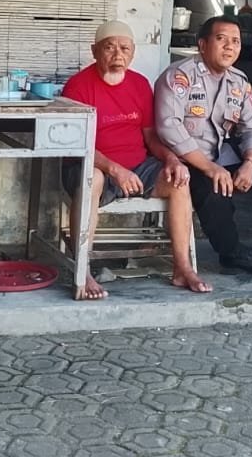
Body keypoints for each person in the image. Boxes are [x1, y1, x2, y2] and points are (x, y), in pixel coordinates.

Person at [153, 15, 252, 274]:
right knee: (209, 182)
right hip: (184, 160)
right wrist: (210, 168)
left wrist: (250, 163)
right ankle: (231, 251)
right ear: (202, 44)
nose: (230, 46)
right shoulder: (180, 76)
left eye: (236, 41)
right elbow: (168, 127)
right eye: (221, 39)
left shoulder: (239, 81)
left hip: (219, 154)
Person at [62, 21, 211, 299]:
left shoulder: (140, 85)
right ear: (94, 51)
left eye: (124, 48)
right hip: (92, 165)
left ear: (133, 53)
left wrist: (172, 159)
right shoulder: (78, 86)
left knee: (178, 180)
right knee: (93, 178)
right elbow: (76, 144)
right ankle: (83, 270)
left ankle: (182, 268)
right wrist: (115, 170)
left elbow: (151, 136)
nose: (118, 55)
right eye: (109, 48)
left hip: (138, 166)